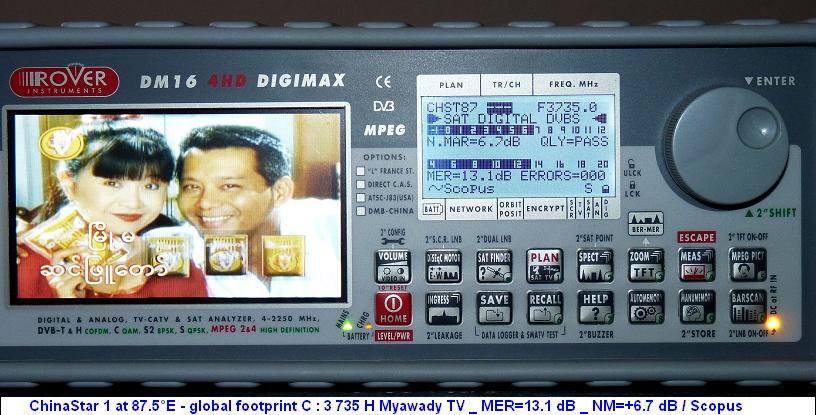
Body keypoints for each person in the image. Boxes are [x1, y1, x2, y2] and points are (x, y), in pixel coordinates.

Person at [17, 126, 208, 298]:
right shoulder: (24, 261)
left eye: (151, 186)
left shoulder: (175, 262)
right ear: (70, 184)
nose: (133, 203)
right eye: (113, 183)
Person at [155, 125, 341, 298]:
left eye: (229, 186)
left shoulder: (336, 225)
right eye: (192, 187)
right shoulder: (163, 250)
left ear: (280, 192)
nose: (205, 203)